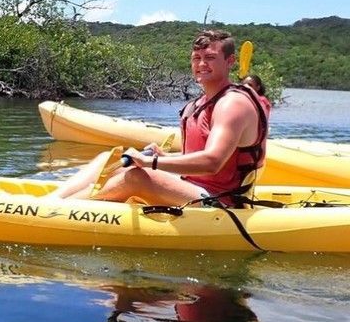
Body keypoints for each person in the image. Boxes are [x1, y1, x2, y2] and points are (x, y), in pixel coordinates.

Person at [53, 29, 269, 206]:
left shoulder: (232, 104)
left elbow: (212, 162)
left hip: (221, 200)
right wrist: (165, 156)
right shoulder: (201, 103)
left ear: (230, 61)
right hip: (192, 186)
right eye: (197, 58)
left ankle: (60, 212)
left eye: (210, 58)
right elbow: (196, 157)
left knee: (137, 177)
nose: (202, 64)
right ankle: (51, 201)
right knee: (107, 159)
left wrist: (152, 162)